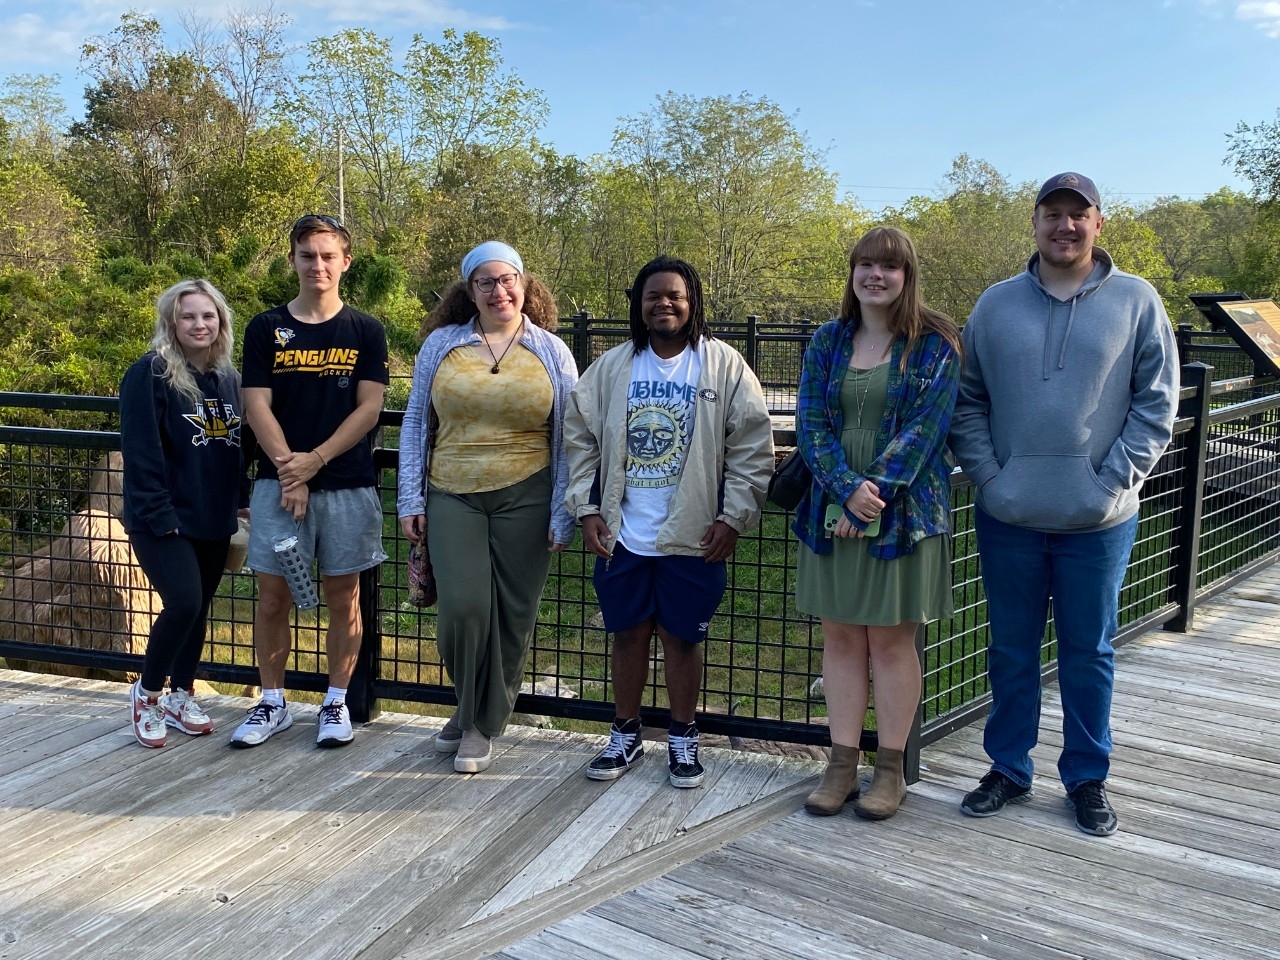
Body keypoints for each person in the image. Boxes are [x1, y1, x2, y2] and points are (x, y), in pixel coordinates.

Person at [950, 172, 1179, 836]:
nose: (1065, 226)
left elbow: (1156, 404)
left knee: (1089, 651)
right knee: (1012, 651)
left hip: (1099, 521)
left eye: (1078, 215)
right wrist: (991, 480)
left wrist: (1113, 482)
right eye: (1052, 214)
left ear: (1099, 223)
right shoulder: (994, 305)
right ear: (1035, 223)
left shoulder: (1137, 301)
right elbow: (970, 402)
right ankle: (1009, 769)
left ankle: (1087, 776)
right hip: (1008, 516)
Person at [564, 255, 774, 788]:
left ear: (692, 301)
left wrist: (734, 516)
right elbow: (579, 436)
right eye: (653, 295)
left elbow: (752, 444)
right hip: (624, 533)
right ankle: (626, 733)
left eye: (674, 295)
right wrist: (586, 507)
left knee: (683, 638)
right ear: (639, 304)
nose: (664, 303)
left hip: (693, 534)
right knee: (628, 635)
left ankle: (683, 736)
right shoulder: (612, 368)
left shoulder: (724, 366)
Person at [792, 227, 962, 820]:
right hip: (831, 510)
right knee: (839, 637)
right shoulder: (826, 341)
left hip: (905, 514)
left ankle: (889, 770)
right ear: (852, 274)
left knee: (891, 641)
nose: (875, 275)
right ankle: (840, 763)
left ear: (907, 275)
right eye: (865, 264)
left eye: (888, 266)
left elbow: (927, 428)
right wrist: (845, 492)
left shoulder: (936, 344)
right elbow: (810, 424)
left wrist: (874, 495)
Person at [397, 241, 578, 773]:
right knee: (463, 611)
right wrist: (411, 496)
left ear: (524, 285)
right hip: (452, 491)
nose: (499, 291)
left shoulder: (551, 351)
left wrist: (562, 511)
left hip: (530, 490)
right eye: (485, 282)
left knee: (513, 615)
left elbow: (569, 433)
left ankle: (477, 722)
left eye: (507, 280)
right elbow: (414, 422)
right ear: (469, 290)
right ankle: (475, 707)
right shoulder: (441, 345)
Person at [233, 214, 389, 749]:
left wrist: (314, 461)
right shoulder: (264, 327)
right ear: (293, 260)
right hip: (278, 486)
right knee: (274, 597)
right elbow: (256, 404)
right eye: (307, 255)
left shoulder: (365, 330)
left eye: (328, 255)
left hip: (346, 484)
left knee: (344, 597)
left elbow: (369, 409)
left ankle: (336, 702)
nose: (317, 265)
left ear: (345, 262)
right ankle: (272, 702)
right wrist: (289, 470)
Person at [120, 279, 245, 748]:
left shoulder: (229, 380)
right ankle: (147, 694)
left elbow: (237, 449)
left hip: (214, 517)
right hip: (162, 519)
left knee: (199, 611)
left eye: (208, 316)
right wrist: (158, 513)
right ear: (172, 321)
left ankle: (180, 693)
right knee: (184, 602)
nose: (199, 324)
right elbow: (141, 450)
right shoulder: (149, 373)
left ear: (221, 323)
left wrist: (242, 497)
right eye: (189, 315)